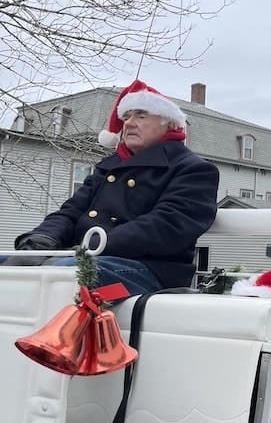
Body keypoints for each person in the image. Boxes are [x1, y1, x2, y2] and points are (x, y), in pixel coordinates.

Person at [4, 79, 220, 296]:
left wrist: (92, 246)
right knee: (8, 264)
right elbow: (70, 212)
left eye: (141, 115)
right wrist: (41, 241)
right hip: (88, 257)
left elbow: (166, 227)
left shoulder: (193, 170)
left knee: (63, 277)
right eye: (126, 116)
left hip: (150, 273)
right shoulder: (109, 167)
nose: (129, 123)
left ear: (170, 123)